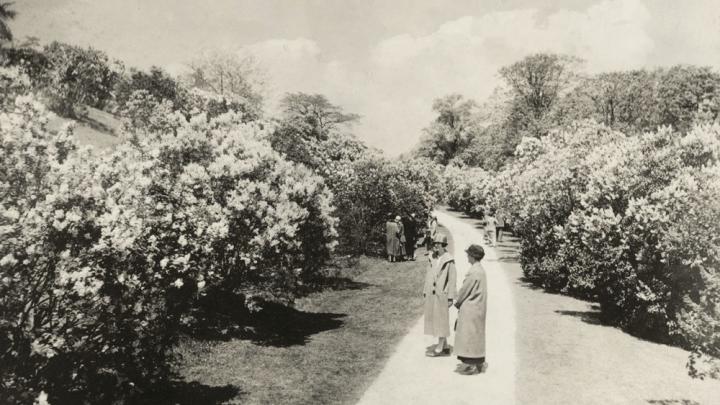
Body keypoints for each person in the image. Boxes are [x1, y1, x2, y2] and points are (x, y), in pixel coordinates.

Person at [454, 244, 489, 375]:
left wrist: (457, 302)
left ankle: (472, 365)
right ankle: (478, 362)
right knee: (477, 335)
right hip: (478, 307)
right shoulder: (480, 270)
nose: (467, 256)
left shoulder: (473, 272)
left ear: (473, 257)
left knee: (469, 336)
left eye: (468, 254)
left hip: (471, 308)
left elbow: (464, 290)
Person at [423, 234, 457, 357]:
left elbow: (452, 280)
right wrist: (425, 290)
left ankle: (439, 348)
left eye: (438, 244)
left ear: (443, 245)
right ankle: (446, 346)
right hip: (431, 293)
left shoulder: (449, 259)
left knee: (442, 319)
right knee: (435, 318)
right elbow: (428, 274)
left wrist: (450, 297)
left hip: (442, 294)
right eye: (434, 243)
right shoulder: (432, 258)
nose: (435, 246)